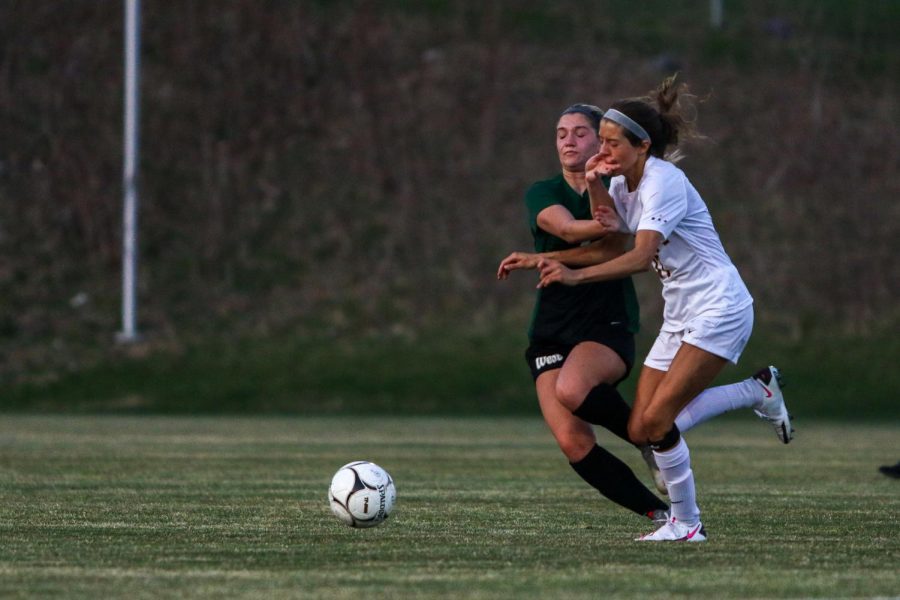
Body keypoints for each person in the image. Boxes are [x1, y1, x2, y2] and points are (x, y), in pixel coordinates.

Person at [529, 76, 793, 542]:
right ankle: (758, 391)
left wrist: (573, 275)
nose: (603, 151)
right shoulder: (624, 184)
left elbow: (633, 256)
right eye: (602, 142)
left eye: (611, 143)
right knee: (639, 426)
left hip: (719, 306)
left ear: (643, 146)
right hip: (681, 314)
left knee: (655, 424)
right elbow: (608, 229)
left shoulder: (663, 182)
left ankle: (687, 524)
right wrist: (595, 181)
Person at [497, 103, 669, 528]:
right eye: (560, 133)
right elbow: (573, 229)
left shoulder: (624, 186)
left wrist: (541, 257)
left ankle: (648, 439)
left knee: (574, 389)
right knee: (573, 441)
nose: (568, 141)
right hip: (553, 329)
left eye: (579, 133)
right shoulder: (542, 191)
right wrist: (608, 226)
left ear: (601, 141)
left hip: (606, 322)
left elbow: (612, 250)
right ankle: (662, 514)